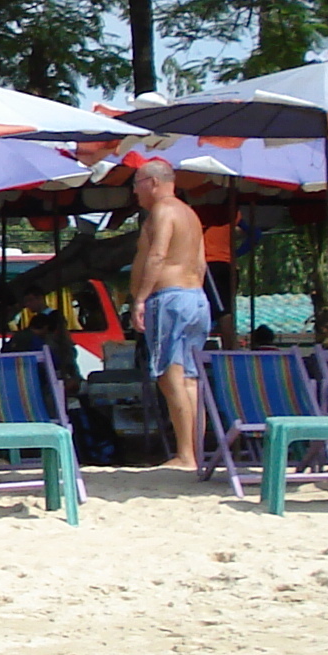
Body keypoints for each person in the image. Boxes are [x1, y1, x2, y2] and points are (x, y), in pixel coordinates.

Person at [129, 163, 210, 472]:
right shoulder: (190, 214)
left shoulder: (162, 211)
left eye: (137, 183)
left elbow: (157, 254)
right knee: (190, 378)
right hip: (195, 298)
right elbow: (201, 263)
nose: (134, 191)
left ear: (152, 182)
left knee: (170, 375)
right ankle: (196, 452)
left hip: (170, 298)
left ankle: (186, 455)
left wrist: (140, 298)